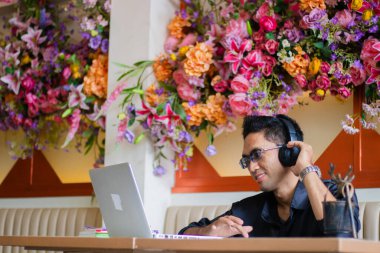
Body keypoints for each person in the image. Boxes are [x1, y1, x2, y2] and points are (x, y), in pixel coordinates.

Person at [178, 114, 360, 238]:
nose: (251, 166)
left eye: (257, 154)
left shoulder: (335, 193)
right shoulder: (246, 210)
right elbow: (182, 235)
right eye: (246, 160)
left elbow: (341, 233)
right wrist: (208, 232)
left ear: (289, 152)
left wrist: (305, 167)